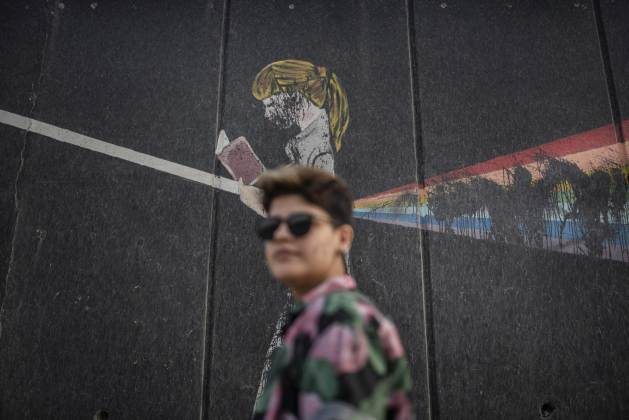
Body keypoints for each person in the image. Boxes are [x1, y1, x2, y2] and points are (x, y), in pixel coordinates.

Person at [251, 165, 414, 420]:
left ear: (342, 238)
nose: (281, 235)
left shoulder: (340, 327)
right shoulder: (317, 321)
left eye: (300, 224)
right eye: (271, 227)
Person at [252, 59, 350, 173]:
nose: (267, 114)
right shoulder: (312, 134)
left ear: (294, 95)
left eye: (271, 104)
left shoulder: (318, 150)